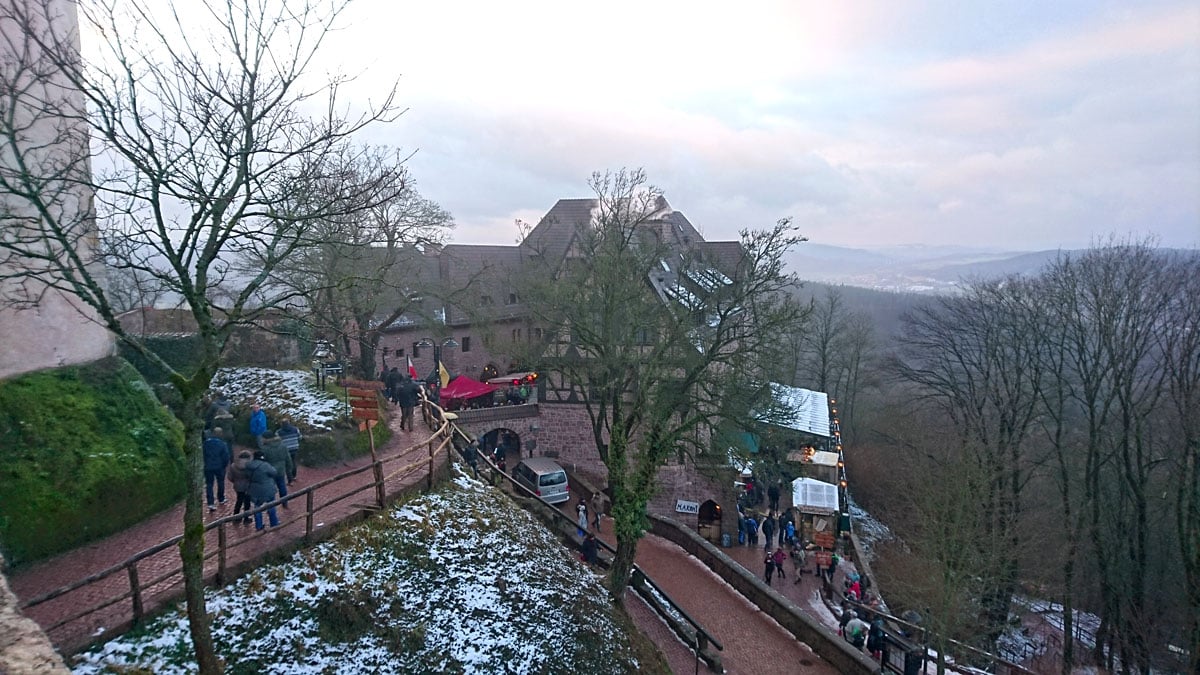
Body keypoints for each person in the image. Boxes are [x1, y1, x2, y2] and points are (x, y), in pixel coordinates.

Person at [246, 450, 279, 530]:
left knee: (257, 507)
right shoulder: (265, 465)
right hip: (268, 488)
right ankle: (274, 523)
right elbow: (274, 472)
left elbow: (247, 476)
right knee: (271, 505)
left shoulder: (248, 465)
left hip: (254, 489)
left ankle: (259, 526)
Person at [260, 430, 293, 508]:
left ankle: (271, 506)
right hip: (281, 470)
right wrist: (289, 469)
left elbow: (263, 461)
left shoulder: (265, 448)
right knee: (282, 486)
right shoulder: (283, 446)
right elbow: (288, 458)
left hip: (270, 471)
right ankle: (284, 502)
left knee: (271, 489)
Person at [202, 429, 231, 511]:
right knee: (221, 482)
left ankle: (210, 503)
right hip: (219, 467)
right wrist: (224, 465)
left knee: (209, 484)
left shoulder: (205, 444)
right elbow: (226, 456)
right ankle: (221, 498)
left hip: (208, 467)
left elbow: (203, 454)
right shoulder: (222, 444)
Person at [227, 449, 254, 524]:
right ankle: (246, 518)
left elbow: (230, 477)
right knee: (247, 503)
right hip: (248, 486)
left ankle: (236, 518)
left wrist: (235, 481)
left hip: (238, 487)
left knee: (239, 501)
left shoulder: (233, 466)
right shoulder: (250, 466)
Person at [276, 419, 302, 484]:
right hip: (295, 448)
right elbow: (300, 437)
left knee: (287, 464)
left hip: (285, 449)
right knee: (293, 462)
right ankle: (294, 476)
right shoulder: (295, 429)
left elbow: (277, 441)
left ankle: (290, 480)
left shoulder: (279, 432)